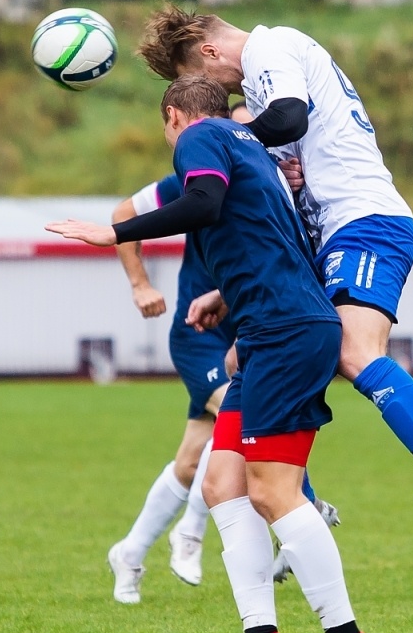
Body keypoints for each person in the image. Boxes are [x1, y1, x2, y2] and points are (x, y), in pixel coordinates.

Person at [48, 76, 379, 633]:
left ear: (173, 116)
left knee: (273, 492)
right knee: (222, 482)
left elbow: (202, 204)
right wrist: (230, 302)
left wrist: (110, 235)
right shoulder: (247, 142)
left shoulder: (199, 136)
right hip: (267, 331)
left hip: (284, 332)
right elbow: (268, 236)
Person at [136, 5, 413, 547]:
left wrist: (238, 138)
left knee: (352, 350)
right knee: (244, 360)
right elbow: (283, 159)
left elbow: (288, 118)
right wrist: (229, 294)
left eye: (202, 80)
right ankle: (298, 502)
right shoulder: (258, 88)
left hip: (363, 219)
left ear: (209, 52)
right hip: (329, 235)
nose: (211, 99)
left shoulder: (270, 49)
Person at [106, 162, 339, 604]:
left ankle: (130, 552)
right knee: (246, 422)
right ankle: (194, 533)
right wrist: (140, 284)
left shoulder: (276, 183)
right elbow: (122, 215)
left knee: (192, 461)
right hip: (198, 335)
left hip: (249, 332)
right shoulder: (200, 175)